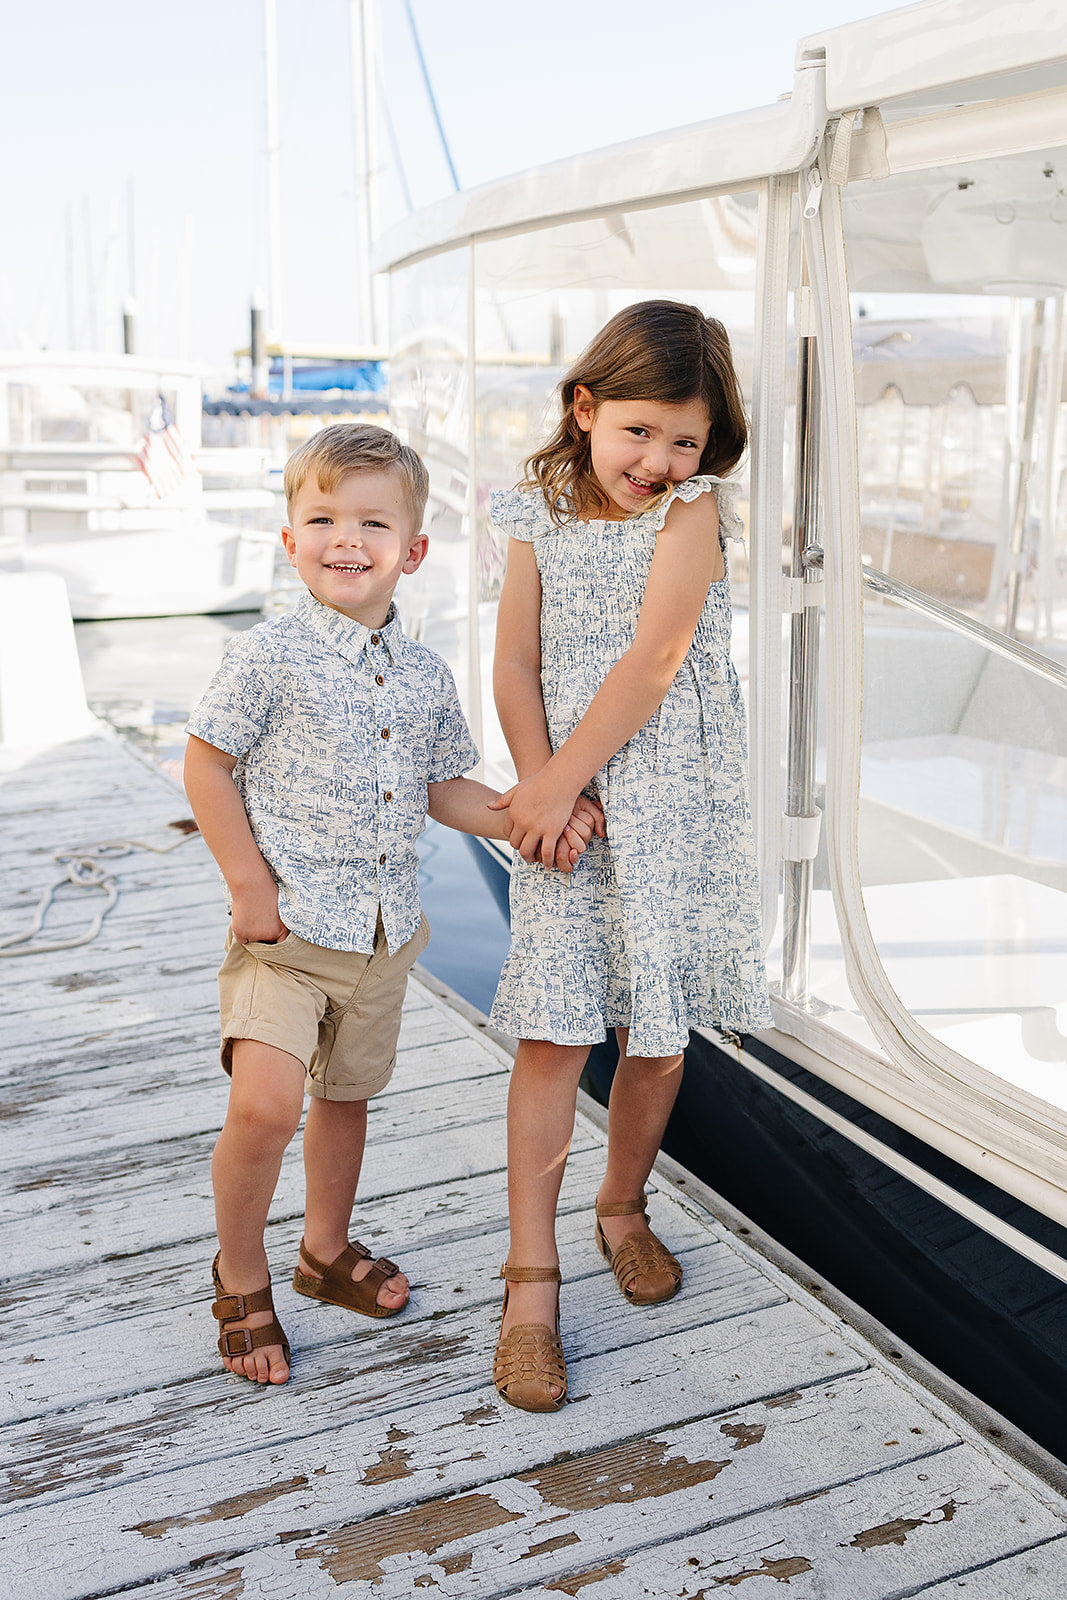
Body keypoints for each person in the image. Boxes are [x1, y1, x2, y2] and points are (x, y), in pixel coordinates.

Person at [184, 423, 600, 1385]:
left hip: (380, 938)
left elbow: (440, 787)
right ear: (290, 540)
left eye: (373, 523)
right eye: (323, 518)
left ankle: (324, 1249)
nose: (346, 538)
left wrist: (529, 815)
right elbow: (206, 765)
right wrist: (249, 886)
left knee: (345, 1099)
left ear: (411, 551)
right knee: (265, 1106)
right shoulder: (268, 654)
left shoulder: (422, 676)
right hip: (285, 933)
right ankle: (239, 1273)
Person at [486, 300, 772, 1412]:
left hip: (671, 805)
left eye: (683, 440)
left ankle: (621, 1203)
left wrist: (562, 782)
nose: (658, 460)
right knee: (554, 1031)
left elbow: (656, 658)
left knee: (652, 1033)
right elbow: (514, 662)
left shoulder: (690, 514)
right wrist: (541, 789)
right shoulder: (536, 514)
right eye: (638, 431)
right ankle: (530, 1279)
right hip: (566, 803)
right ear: (584, 408)